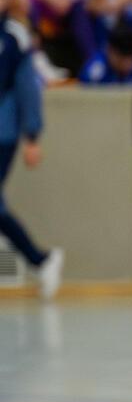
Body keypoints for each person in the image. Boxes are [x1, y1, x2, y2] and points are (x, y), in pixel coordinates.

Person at [1, 15, 65, 298]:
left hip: (3, 130)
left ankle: (41, 260)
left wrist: (32, 135)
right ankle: (40, 259)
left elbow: (28, 85)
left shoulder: (15, 37)